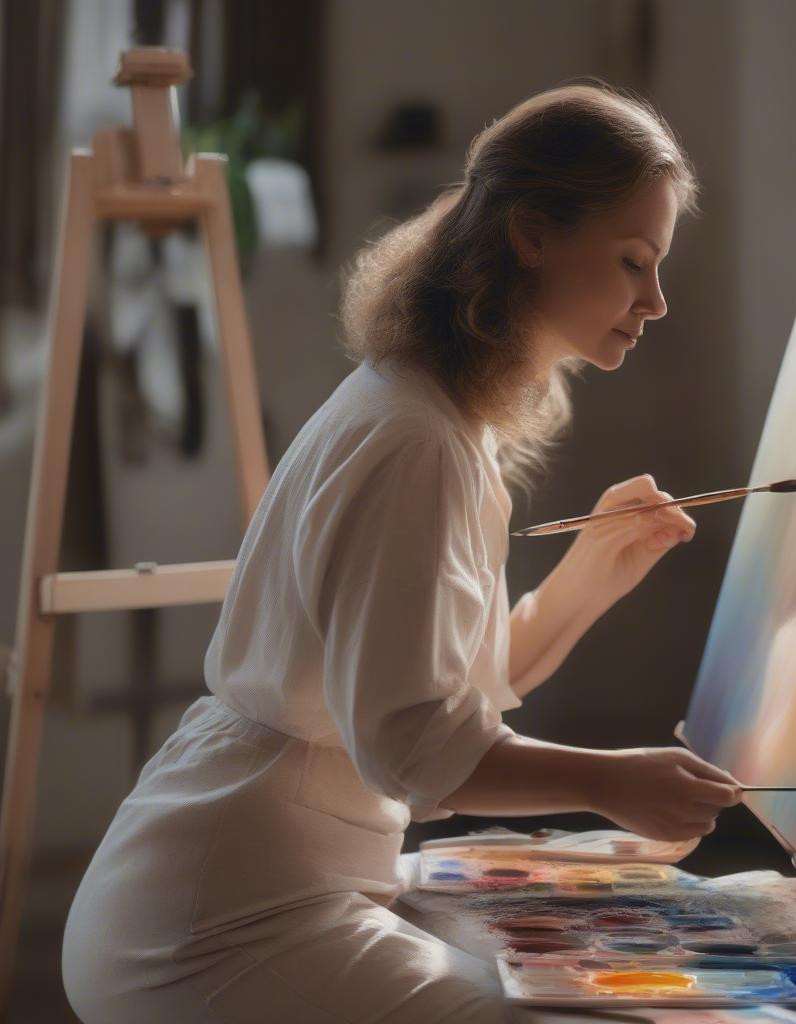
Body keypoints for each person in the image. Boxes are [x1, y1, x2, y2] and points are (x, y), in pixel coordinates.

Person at [62, 80, 742, 1024]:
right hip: (217, 924)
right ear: (532, 234)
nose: (656, 300)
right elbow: (419, 749)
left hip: (263, 885)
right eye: (633, 260)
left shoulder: (437, 420)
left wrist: (589, 578)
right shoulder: (416, 438)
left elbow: (438, 691)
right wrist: (607, 781)